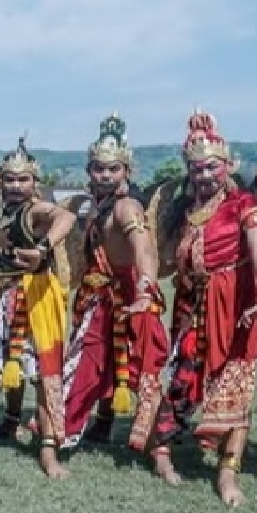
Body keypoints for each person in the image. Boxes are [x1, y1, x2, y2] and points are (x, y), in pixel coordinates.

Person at [147, 109, 257, 507]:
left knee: (236, 389)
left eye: (212, 168)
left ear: (228, 166)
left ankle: (227, 474)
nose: (205, 176)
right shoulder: (185, 212)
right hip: (191, 308)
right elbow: (167, 261)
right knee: (179, 382)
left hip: (237, 309)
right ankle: (162, 454)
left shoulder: (245, 204)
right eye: (197, 169)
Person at [0, 135, 78, 479]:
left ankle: (48, 449)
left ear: (35, 182)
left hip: (35, 299)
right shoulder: (11, 202)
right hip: (6, 297)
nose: (14, 185)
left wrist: (42, 249)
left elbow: (66, 217)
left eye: (22, 179)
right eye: (9, 179)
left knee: (42, 373)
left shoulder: (34, 209)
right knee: (12, 365)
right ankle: (10, 423)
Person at [62, 112, 169, 451]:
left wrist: (145, 285)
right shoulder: (98, 205)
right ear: (89, 170)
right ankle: (94, 426)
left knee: (140, 373)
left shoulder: (126, 207)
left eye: (113, 169)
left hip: (130, 299)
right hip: (102, 298)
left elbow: (143, 249)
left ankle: (159, 448)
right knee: (96, 363)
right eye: (99, 169)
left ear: (127, 171)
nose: (105, 176)